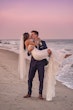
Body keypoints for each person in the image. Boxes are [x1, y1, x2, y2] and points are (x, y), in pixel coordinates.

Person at [19, 31, 72, 101]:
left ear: (36, 35)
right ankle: (29, 93)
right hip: (33, 63)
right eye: (30, 34)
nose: (31, 35)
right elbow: (28, 53)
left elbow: (47, 52)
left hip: (41, 63)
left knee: (41, 79)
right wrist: (29, 50)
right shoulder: (29, 41)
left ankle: (40, 94)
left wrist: (49, 53)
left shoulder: (43, 42)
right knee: (30, 78)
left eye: (32, 34)